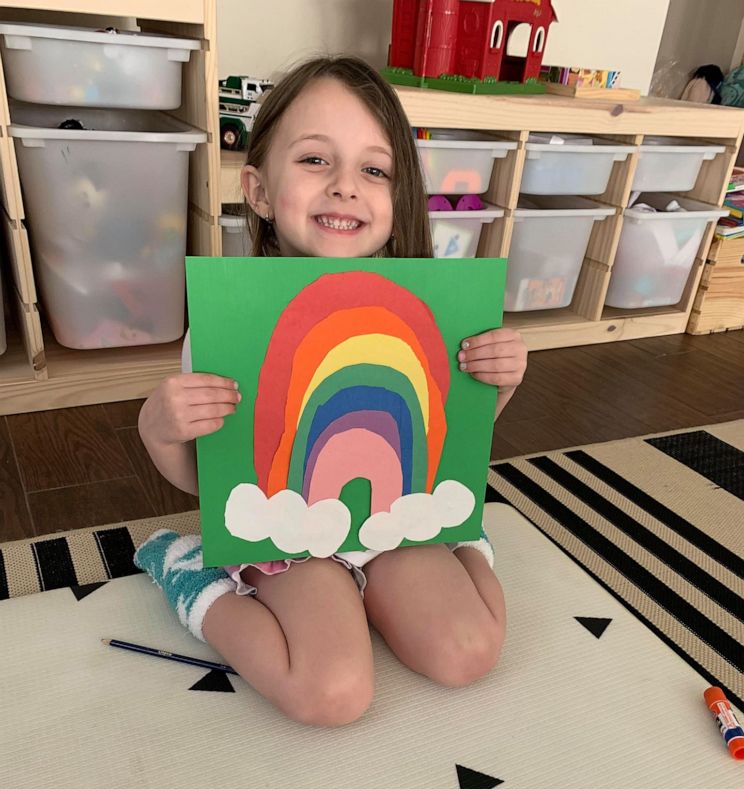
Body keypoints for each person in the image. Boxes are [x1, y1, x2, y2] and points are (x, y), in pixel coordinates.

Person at [135, 55, 528, 728]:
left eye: (375, 170)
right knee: (331, 691)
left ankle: (454, 548)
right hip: (283, 530)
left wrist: (500, 381)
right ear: (257, 191)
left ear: (397, 200)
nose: (347, 187)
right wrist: (158, 428)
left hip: (393, 517)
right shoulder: (233, 324)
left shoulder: (429, 313)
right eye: (316, 160)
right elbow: (211, 483)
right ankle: (195, 577)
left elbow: (452, 435)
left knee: (470, 649)